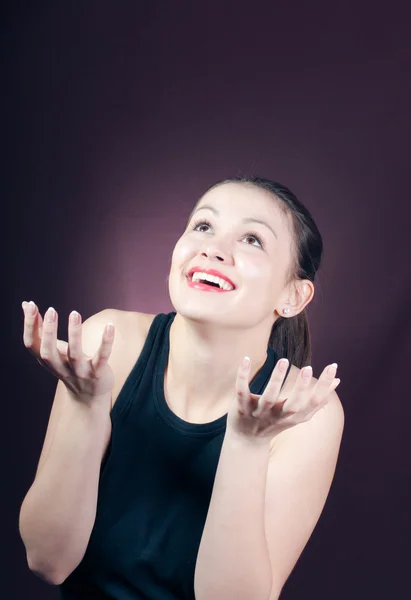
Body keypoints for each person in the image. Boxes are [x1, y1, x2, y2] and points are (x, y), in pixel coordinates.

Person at [19, 176, 344, 600]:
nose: (212, 248)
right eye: (203, 226)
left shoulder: (303, 412)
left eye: (251, 239)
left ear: (293, 296)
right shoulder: (107, 344)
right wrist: (87, 404)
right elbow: (47, 560)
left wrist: (246, 444)